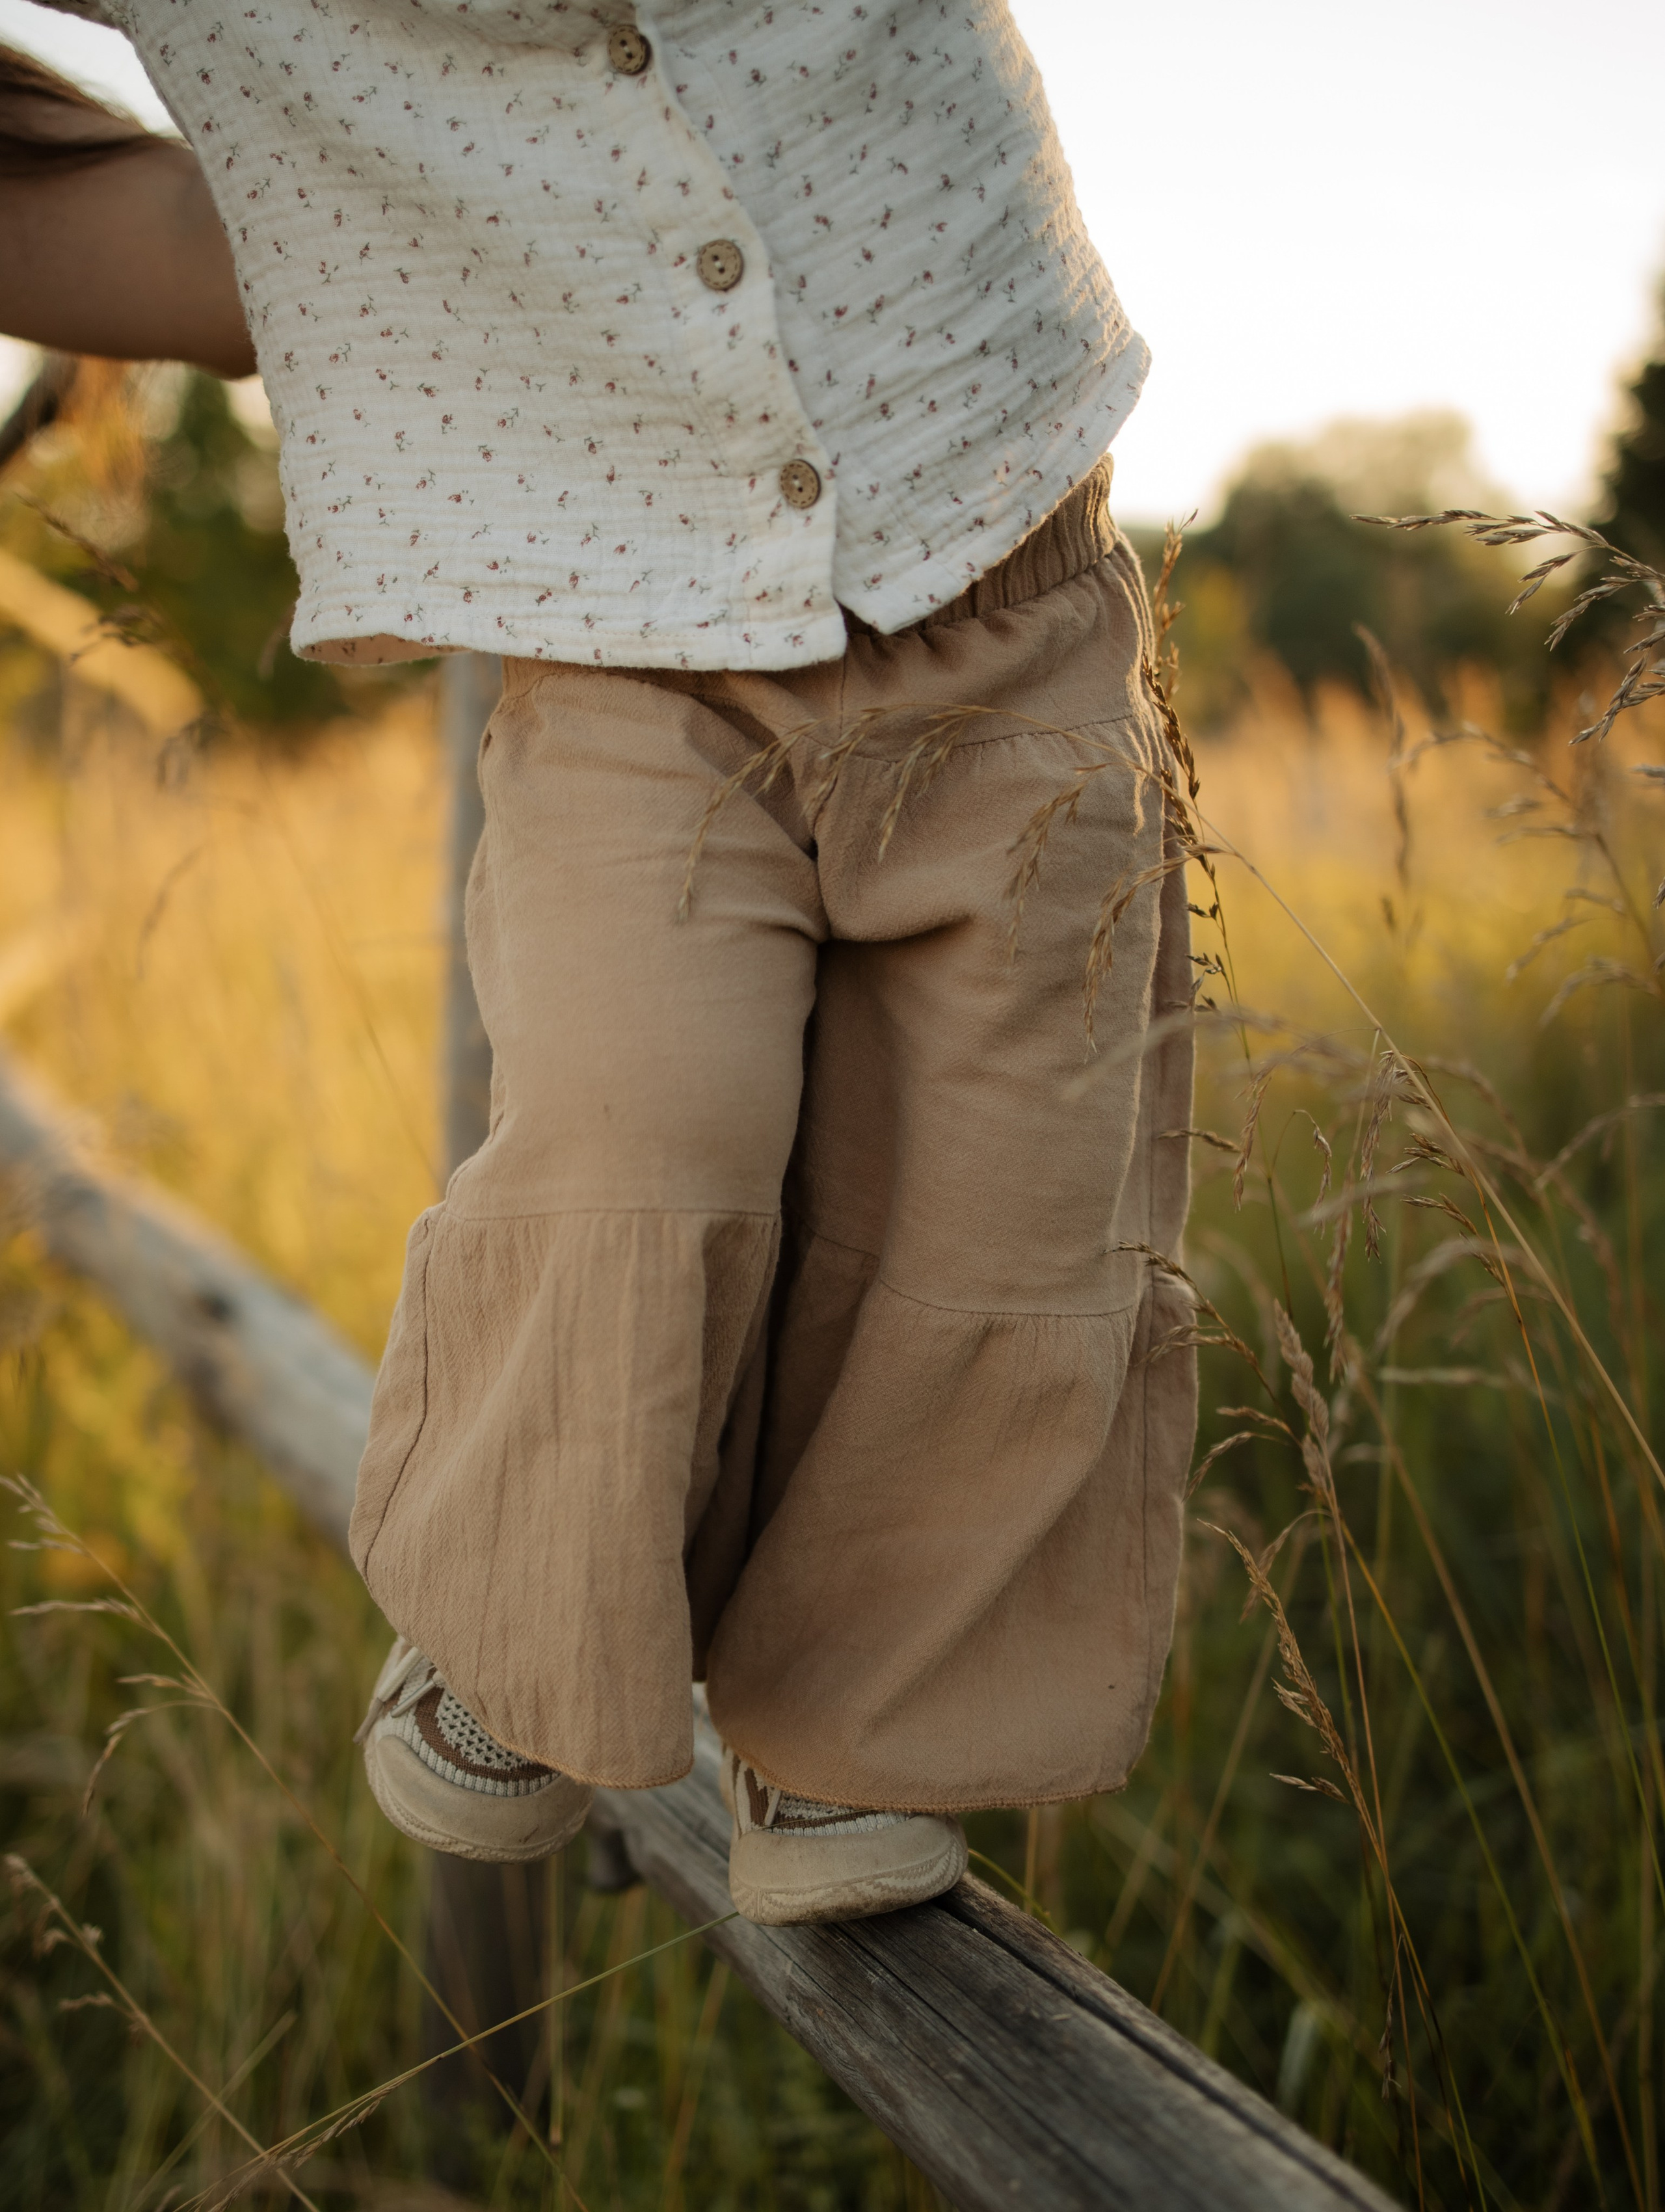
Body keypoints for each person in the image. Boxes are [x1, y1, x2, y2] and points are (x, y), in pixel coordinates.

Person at [2, 3, 1196, 1927]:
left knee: (1012, 1174)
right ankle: (522, 1616)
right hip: (616, 638)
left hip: (1009, 563)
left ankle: (861, 1728)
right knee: (644, 1105)